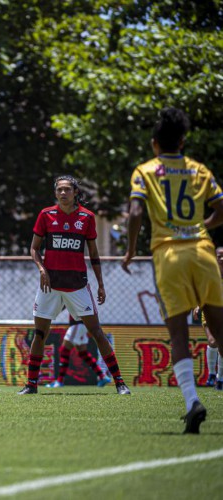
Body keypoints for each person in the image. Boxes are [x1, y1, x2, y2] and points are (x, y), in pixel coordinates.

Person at [122, 108, 223, 433]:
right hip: (203, 252)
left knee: (179, 333)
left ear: (154, 144)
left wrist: (131, 248)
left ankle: (193, 401)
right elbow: (221, 208)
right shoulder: (198, 170)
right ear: (182, 140)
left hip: (168, 255)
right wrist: (200, 227)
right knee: (220, 331)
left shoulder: (145, 171)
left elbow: (136, 211)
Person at [18, 175, 130, 396]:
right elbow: (33, 249)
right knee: (40, 334)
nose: (63, 193)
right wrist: (41, 269)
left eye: (67, 189)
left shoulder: (87, 217)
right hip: (50, 285)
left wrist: (101, 285)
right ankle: (31, 385)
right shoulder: (46, 215)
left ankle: (119, 382)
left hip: (77, 285)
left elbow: (94, 253)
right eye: (59, 190)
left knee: (97, 332)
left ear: (75, 192)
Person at [45, 315, 112, 388]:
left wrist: (51, 313)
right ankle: (102, 376)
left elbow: (64, 304)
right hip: (81, 325)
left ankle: (59, 381)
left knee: (64, 350)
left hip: (77, 324)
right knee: (83, 353)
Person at [193, 247, 223, 390]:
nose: (222, 259)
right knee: (212, 341)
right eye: (219, 256)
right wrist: (197, 306)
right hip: (209, 311)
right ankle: (211, 374)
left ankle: (220, 379)